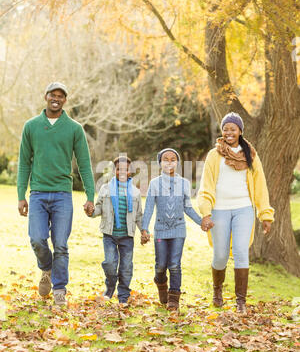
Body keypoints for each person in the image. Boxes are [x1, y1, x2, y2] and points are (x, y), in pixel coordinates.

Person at [17, 82, 95, 306]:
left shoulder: (74, 128)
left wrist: (90, 196)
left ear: (65, 100)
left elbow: (84, 164)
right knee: (37, 239)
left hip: (63, 194)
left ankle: (60, 289)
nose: (56, 98)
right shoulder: (31, 126)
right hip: (38, 194)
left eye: (61, 96)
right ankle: (46, 269)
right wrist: (21, 195)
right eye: (53, 95)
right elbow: (24, 164)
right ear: (46, 97)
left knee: (60, 244)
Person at [198, 112, 274, 314]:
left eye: (233, 128)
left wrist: (265, 214)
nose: (229, 132)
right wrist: (206, 213)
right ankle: (217, 291)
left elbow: (260, 186)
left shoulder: (250, 154)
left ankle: (241, 301)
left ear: (240, 131)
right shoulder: (215, 156)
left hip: (244, 209)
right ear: (222, 131)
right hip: (219, 210)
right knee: (221, 255)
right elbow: (206, 186)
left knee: (241, 252)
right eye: (226, 128)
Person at [141, 148, 202, 311]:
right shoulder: (154, 184)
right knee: (161, 265)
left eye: (173, 159)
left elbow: (188, 208)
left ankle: (174, 298)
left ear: (177, 162)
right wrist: (144, 228)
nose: (169, 162)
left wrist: (201, 222)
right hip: (161, 229)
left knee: (174, 264)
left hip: (178, 229)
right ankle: (161, 284)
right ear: (160, 162)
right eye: (165, 159)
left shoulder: (184, 183)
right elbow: (148, 208)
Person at [90, 156, 143, 306]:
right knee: (110, 263)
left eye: (125, 169)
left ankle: (123, 296)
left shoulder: (135, 192)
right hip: (109, 234)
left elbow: (139, 215)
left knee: (126, 267)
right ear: (114, 170)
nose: (122, 171)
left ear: (129, 171)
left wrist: (143, 231)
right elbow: (98, 207)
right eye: (119, 168)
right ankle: (110, 286)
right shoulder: (105, 188)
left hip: (127, 235)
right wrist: (91, 212)